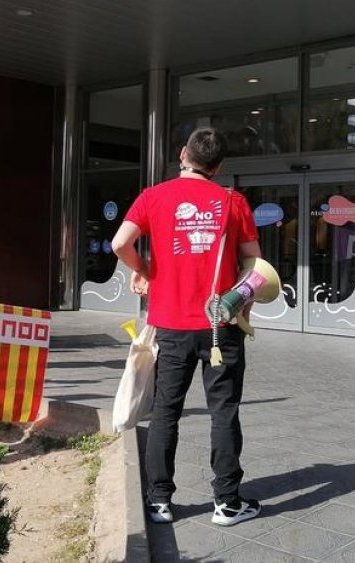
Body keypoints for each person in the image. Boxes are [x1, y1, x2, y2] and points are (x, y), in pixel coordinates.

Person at [111, 128, 263, 528]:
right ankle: (226, 503)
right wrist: (240, 297)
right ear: (219, 166)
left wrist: (142, 270)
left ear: (183, 154)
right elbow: (255, 267)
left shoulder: (153, 197)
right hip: (221, 324)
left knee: (165, 411)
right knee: (224, 411)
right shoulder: (233, 201)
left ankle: (159, 501)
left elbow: (118, 243)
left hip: (170, 325)